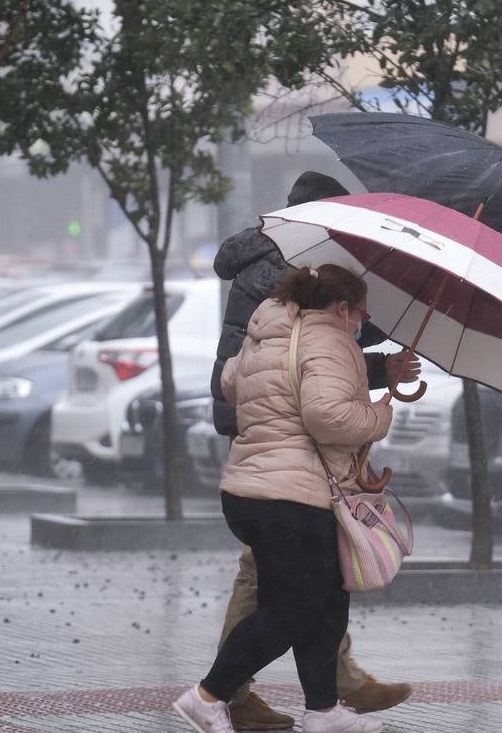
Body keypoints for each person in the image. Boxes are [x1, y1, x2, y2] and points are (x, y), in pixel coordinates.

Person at [206, 172, 416, 731]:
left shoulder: (293, 264)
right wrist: (378, 403)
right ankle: (226, 692)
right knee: (282, 584)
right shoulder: (289, 270)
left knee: (320, 576)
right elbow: (312, 365)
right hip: (282, 443)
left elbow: (302, 361)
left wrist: (378, 365)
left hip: (272, 425)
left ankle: (326, 698)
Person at [175, 265, 394, 733]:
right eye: (360, 316)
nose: (360, 326)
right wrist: (378, 416)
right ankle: (208, 695)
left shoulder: (267, 333)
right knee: (290, 609)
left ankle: (323, 710)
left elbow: (231, 383)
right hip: (293, 497)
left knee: (328, 597)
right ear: (341, 308)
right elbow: (326, 416)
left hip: (250, 492)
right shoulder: (332, 340)